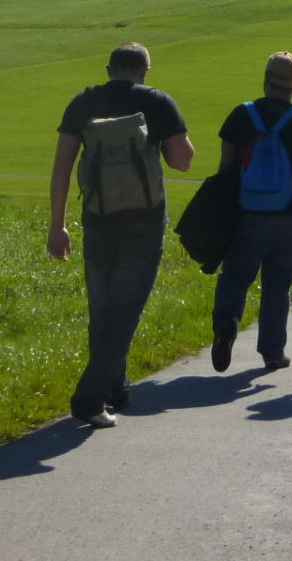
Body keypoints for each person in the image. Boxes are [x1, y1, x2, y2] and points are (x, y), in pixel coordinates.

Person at [48, 42, 195, 428]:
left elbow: (62, 166)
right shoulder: (158, 102)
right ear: (145, 71)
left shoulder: (82, 102)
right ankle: (89, 399)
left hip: (97, 217)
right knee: (126, 310)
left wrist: (57, 225)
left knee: (103, 310)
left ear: (109, 68)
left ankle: (115, 390)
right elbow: (182, 161)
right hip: (143, 220)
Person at [209, 51, 292, 372]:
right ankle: (273, 351)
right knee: (278, 282)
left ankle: (227, 323)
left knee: (235, 276)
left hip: (247, 215)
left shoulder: (241, 116)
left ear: (265, 80)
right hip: (290, 217)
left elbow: (226, 170)